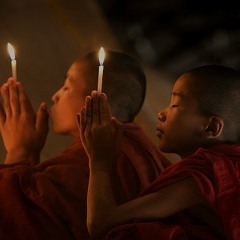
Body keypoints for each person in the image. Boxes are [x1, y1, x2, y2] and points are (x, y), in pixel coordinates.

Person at [0, 50, 169, 239]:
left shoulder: (85, 161)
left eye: (66, 87)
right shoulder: (146, 153)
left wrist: (19, 150)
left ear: (94, 100)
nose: (55, 96)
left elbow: (12, 219)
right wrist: (30, 154)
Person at [79, 64, 240, 240]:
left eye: (175, 105)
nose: (161, 114)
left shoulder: (201, 181)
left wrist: (99, 159)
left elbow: (101, 223)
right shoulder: (210, 173)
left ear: (211, 127)